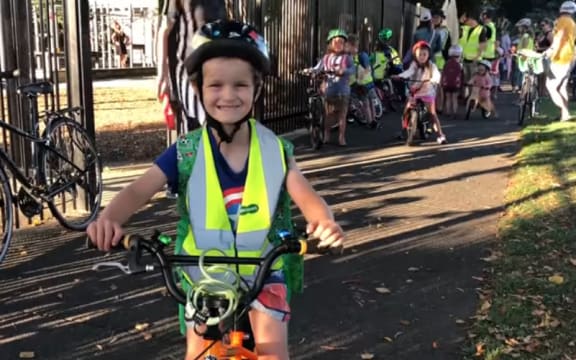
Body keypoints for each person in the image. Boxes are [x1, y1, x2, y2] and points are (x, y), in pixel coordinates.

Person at [87, 20, 345, 360]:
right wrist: (109, 220)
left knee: (272, 350)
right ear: (198, 89)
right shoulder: (186, 152)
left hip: (261, 269)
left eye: (240, 84)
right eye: (216, 85)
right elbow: (138, 190)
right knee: (198, 351)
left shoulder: (274, 149)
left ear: (257, 88)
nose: (228, 95)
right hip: (203, 273)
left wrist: (323, 222)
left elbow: (306, 196)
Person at [156, 0, 227, 134]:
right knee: (201, 129)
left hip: (216, 72)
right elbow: (164, 30)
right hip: (189, 74)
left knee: (218, 127)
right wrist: (162, 75)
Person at [392, 41, 447, 144]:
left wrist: (434, 79)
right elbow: (409, 72)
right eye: (419, 54)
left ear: (428, 55)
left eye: (424, 54)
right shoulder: (414, 65)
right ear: (415, 55)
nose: (422, 57)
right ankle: (404, 131)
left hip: (427, 92)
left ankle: (440, 135)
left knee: (432, 114)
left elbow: (436, 75)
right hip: (415, 92)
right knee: (406, 112)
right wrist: (400, 76)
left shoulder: (431, 66)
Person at [308, 29, 355, 146]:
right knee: (328, 116)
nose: (339, 45)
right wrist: (310, 70)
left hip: (343, 91)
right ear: (330, 44)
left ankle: (341, 137)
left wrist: (344, 70)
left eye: (341, 42)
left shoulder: (347, 58)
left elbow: (353, 69)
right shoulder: (326, 58)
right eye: (336, 42)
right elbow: (317, 68)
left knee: (342, 116)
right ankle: (327, 135)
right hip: (330, 90)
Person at [545, 1, 576, 121]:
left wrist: (551, 51)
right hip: (569, 57)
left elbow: (558, 38)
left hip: (560, 58)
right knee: (562, 87)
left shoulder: (562, 21)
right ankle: (564, 114)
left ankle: (565, 112)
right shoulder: (572, 23)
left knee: (551, 87)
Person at [347, 34, 378, 127]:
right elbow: (369, 68)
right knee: (371, 102)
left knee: (366, 104)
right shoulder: (362, 55)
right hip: (370, 82)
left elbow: (353, 73)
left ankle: (369, 122)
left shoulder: (351, 57)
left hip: (361, 84)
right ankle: (374, 119)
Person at [441, 44, 464, 117]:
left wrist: (442, 82)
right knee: (454, 98)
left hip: (447, 84)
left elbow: (443, 73)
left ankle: (448, 112)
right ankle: (454, 112)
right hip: (455, 84)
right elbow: (462, 75)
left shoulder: (446, 63)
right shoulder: (459, 64)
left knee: (448, 97)